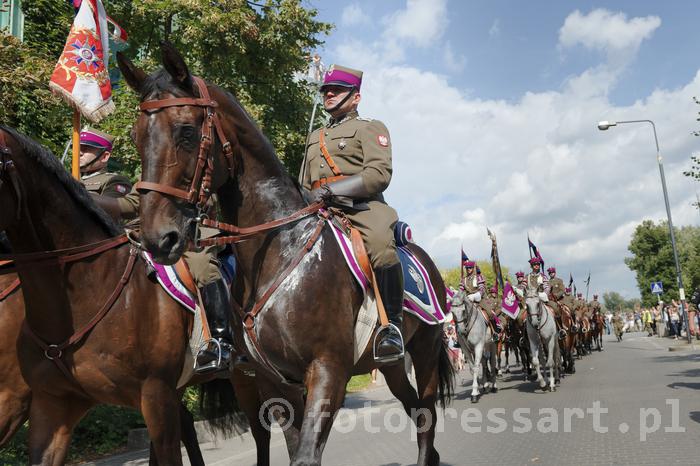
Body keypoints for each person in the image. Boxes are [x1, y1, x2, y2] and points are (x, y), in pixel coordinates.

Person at [84, 130, 234, 374]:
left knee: (202, 267)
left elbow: (210, 200)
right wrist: (80, 194)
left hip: (192, 233)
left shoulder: (202, 166)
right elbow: (128, 205)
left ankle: (220, 340)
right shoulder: (153, 167)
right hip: (150, 232)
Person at [300, 65, 404, 361]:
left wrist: (333, 191)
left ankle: (392, 328)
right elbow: (305, 182)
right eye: (325, 91)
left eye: (336, 90)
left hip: (360, 208)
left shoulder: (370, 127)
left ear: (356, 97)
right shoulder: (315, 136)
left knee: (381, 247)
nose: (328, 94)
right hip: (316, 208)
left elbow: (378, 175)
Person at [79, 128, 131, 197]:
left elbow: (110, 206)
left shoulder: (114, 181)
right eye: (77, 148)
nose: (79, 153)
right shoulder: (69, 176)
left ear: (104, 157)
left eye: (86, 149)